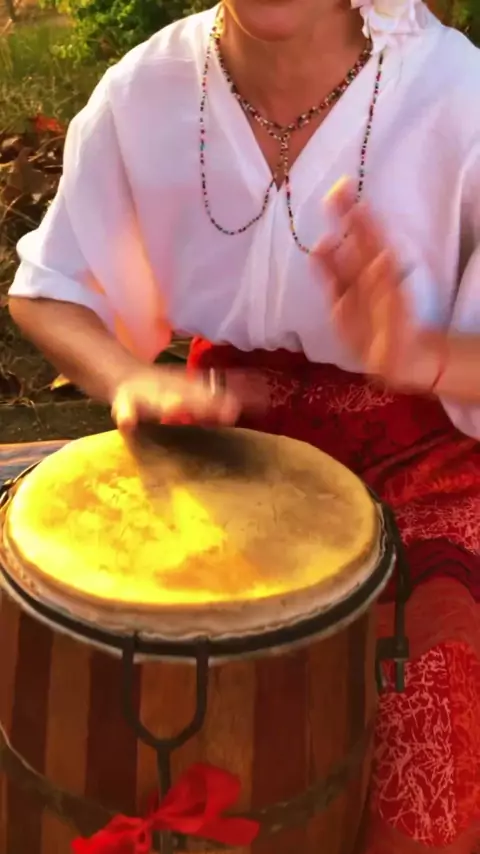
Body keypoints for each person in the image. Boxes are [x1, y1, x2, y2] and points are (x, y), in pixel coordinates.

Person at [7, 0, 480, 851]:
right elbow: (49, 291)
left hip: (422, 472)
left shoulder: (456, 97)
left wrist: (422, 356)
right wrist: (126, 378)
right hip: (218, 453)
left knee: (429, 725)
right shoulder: (145, 90)